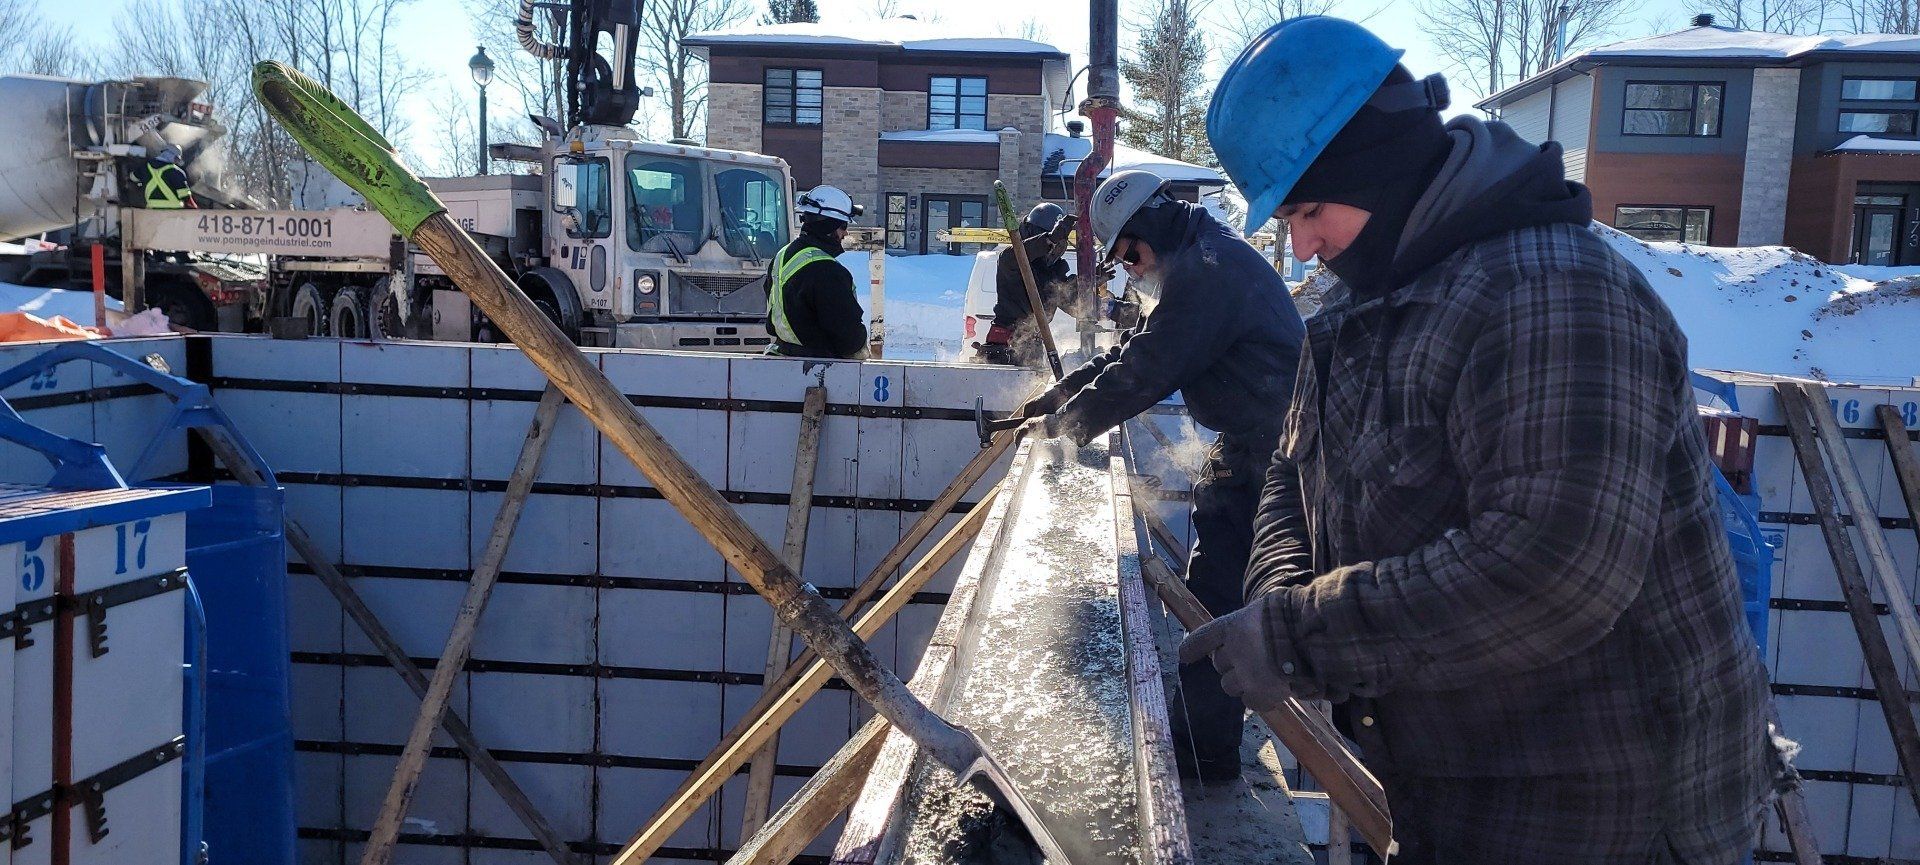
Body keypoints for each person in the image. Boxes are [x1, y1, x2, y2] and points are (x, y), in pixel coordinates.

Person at [1180, 16, 1770, 863]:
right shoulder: (1359, 303)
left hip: (1607, 808)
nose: (1301, 244)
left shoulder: (1552, 294)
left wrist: (1296, 638)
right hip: (1454, 785)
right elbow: (1290, 464)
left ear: (1375, 163)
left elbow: (1553, 572)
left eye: (1309, 208)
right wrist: (1278, 596)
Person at [1022, 168, 1306, 783]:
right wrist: (1061, 397)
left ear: (1150, 224)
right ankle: (1205, 747)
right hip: (1260, 445)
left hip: (1279, 456)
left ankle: (1202, 759)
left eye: (1128, 253)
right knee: (1217, 591)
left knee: (1215, 599)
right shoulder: (1204, 260)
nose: (1130, 269)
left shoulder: (1208, 274)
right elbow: (1138, 349)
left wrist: (1067, 430)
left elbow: (1149, 370)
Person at [766, 185, 867, 359]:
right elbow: (849, 338)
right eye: (843, 226)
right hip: (821, 368)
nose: (846, 233)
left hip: (783, 358)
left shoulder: (782, 256)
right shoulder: (827, 270)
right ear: (830, 226)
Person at [976, 202, 1077, 367]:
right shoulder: (1011, 261)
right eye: (1052, 243)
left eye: (1058, 243)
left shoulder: (1053, 272)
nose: (1053, 249)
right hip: (1003, 349)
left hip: (1033, 349)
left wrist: (1091, 281)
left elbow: (1073, 302)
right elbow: (1020, 255)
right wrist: (1048, 239)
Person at [138, 144, 196, 210]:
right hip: (173, 213)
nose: (176, 161)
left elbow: (133, 178)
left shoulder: (145, 167)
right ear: (172, 156)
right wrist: (196, 208)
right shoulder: (177, 172)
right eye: (176, 159)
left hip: (152, 211)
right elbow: (186, 198)